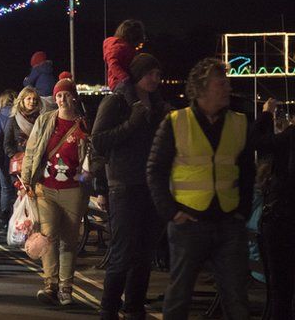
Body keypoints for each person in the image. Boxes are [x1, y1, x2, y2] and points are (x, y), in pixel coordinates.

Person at [147, 58, 262, 320]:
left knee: (236, 298)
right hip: (188, 222)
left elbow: (247, 171)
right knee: (179, 296)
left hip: (228, 222)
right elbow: (155, 170)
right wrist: (171, 212)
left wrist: (242, 210)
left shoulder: (239, 122)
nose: (227, 88)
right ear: (200, 89)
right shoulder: (175, 122)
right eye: (220, 83)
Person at [90, 53, 168, 320]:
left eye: (158, 75)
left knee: (145, 253)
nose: (156, 79)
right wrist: (131, 123)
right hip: (124, 184)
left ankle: (134, 307)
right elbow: (98, 141)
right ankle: (108, 309)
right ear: (137, 74)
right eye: (150, 74)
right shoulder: (117, 102)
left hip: (152, 186)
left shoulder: (158, 105)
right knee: (122, 252)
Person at [20, 75, 90, 306]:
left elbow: (91, 158)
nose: (61, 100)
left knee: (69, 241)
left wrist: (82, 178)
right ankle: (50, 285)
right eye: (58, 95)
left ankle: (66, 288)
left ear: (74, 97)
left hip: (73, 190)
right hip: (46, 188)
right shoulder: (45, 120)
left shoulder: (83, 125)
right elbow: (32, 150)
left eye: (66, 95)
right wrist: (26, 179)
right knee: (48, 237)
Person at [253, 98, 295, 320]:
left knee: (280, 292)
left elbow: (257, 141)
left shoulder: (289, 137)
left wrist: (266, 114)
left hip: (281, 219)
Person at [0, 90, 17, 223]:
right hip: (17, 155)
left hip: (3, 156)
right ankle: (17, 216)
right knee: (18, 187)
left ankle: (5, 216)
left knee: (5, 187)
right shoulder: (19, 115)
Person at [102, 19, 146, 91]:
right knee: (130, 91)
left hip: (128, 79)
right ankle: (134, 102)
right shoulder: (117, 46)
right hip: (119, 82)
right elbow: (113, 63)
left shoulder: (128, 47)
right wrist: (124, 77)